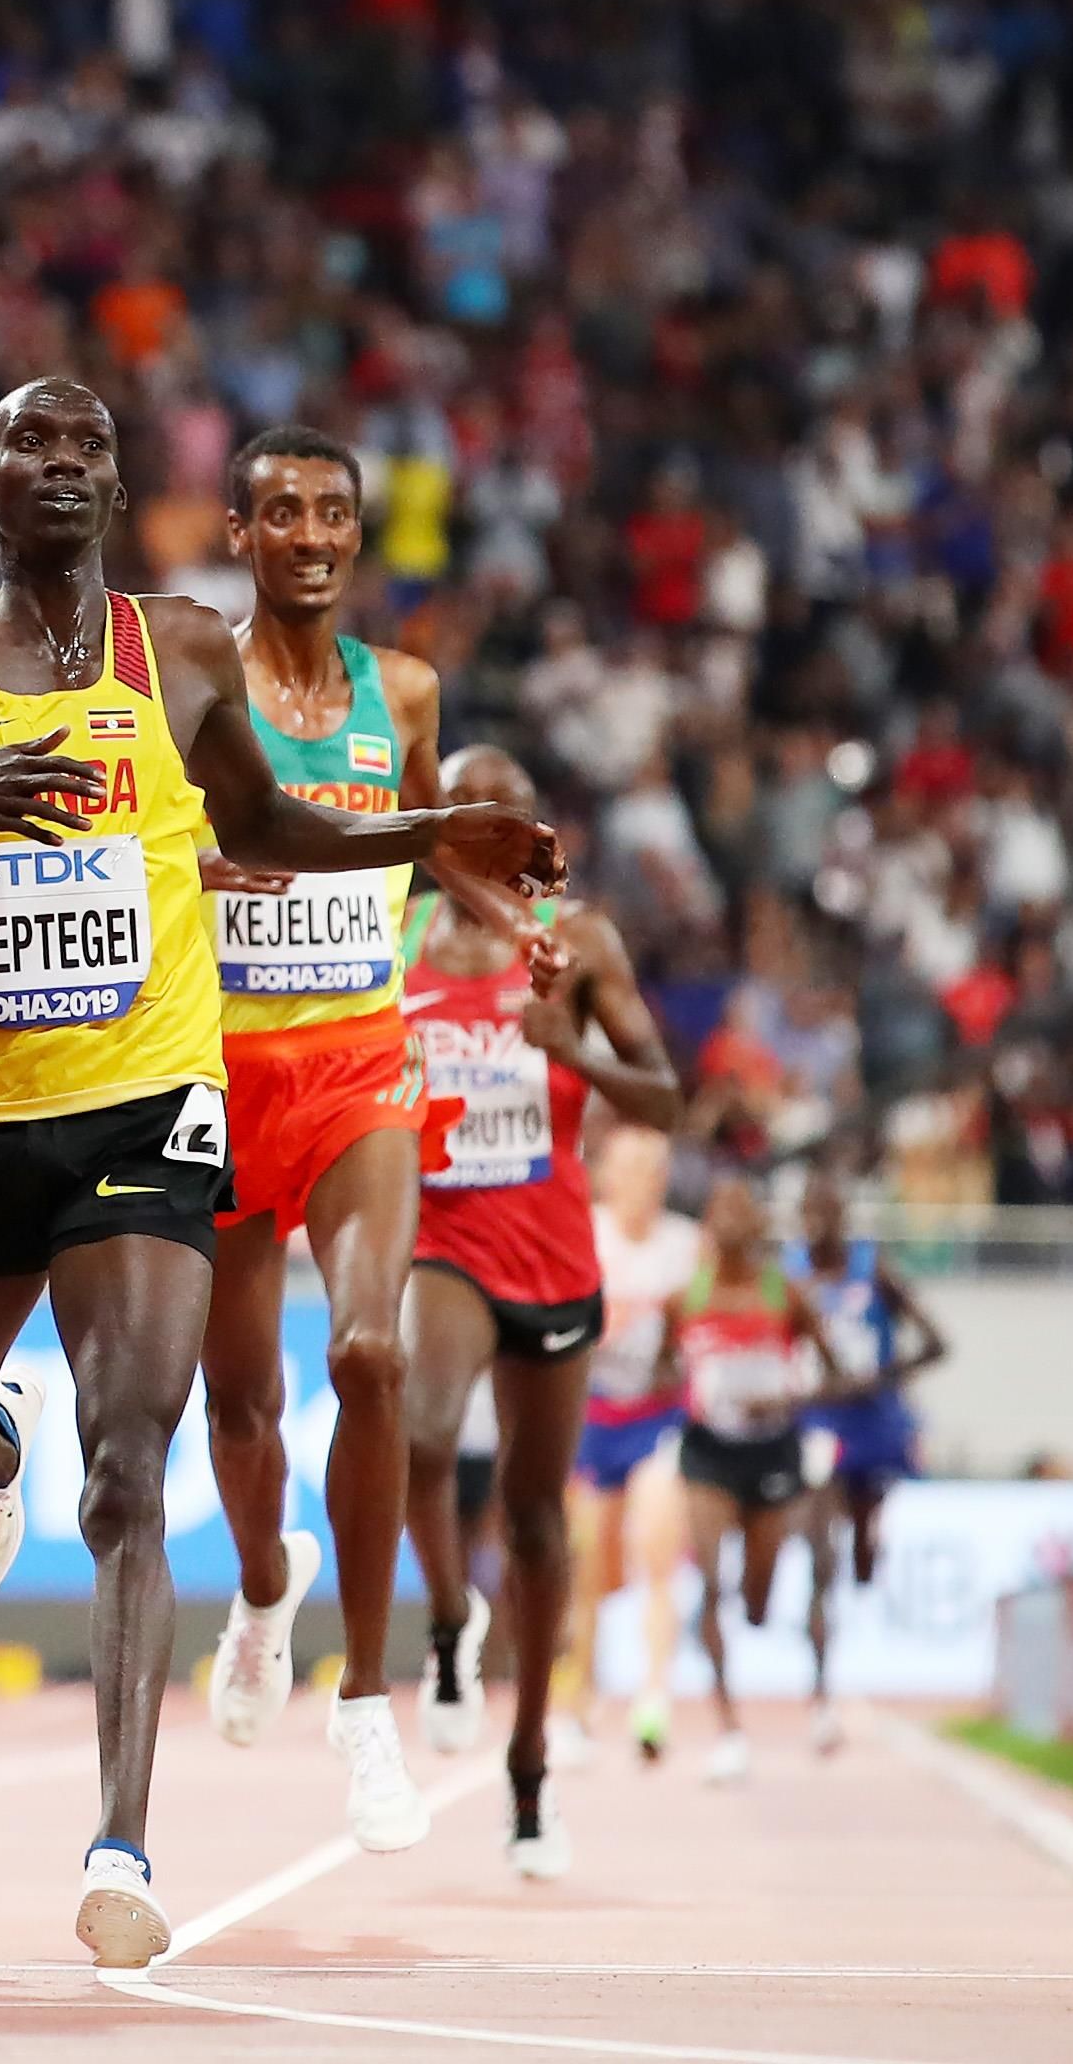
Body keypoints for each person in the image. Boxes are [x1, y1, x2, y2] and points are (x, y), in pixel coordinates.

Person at [0, 378, 561, 1964]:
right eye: (33, 447)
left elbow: (274, 816)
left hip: (148, 1107)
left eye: (90, 448)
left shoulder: (181, 650)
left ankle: (121, 1849)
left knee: (133, 1470)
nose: (64, 468)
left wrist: (433, 833)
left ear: (116, 483)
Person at [198, 425, 533, 1852]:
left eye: (335, 512)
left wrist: (527, 928)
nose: (315, 535)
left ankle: (368, 1701)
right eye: (284, 513)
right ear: (241, 534)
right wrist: (200, 864)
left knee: (370, 1350)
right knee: (240, 1413)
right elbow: (141, 826)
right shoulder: (189, 674)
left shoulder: (402, 690)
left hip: (355, 1066)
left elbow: (425, 844)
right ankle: (266, 1587)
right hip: (209, 1074)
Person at [395, 749, 679, 1879]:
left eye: (508, 822)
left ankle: (528, 1775)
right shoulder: (401, 931)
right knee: (418, 1426)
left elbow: (669, 1096)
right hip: (444, 1234)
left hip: (555, 1253)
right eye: (470, 819)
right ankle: (450, 1622)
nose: (489, 841)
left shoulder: (580, 942)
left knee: (537, 1521)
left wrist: (581, 1058)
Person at [662, 1177, 863, 1786]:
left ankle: (771, 1658)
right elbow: (659, 1376)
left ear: (758, 1227)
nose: (730, 1222)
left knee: (755, 1601)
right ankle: (728, 1729)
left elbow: (834, 1377)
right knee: (710, 1581)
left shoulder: (787, 1295)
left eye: (742, 1210)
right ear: (707, 1227)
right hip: (709, 1453)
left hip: (774, 1451)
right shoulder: (685, 1297)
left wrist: (782, 1392)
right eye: (720, 1209)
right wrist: (697, 1390)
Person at [788, 1171, 948, 1750]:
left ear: (843, 1220)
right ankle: (820, 1691)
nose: (817, 1226)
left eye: (827, 1215)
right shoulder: (787, 1275)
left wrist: (884, 1377)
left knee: (859, 1556)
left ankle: (867, 1544)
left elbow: (936, 1342)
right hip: (818, 1424)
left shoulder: (871, 1269)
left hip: (873, 1423)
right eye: (808, 1215)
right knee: (819, 1549)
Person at [575, 1127, 700, 1762]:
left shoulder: (686, 1246)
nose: (643, 1182)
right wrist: (598, 1325)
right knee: (591, 1568)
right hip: (592, 1417)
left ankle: (654, 1696)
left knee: (659, 1551)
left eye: (655, 1170)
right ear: (606, 1176)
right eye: (630, 1169)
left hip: (657, 1419)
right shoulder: (585, 1233)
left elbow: (709, 1324)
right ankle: (584, 1701)